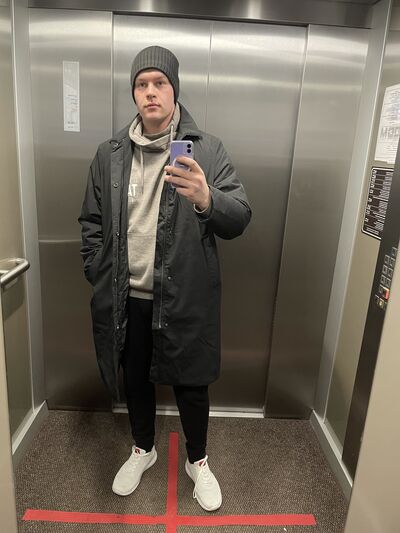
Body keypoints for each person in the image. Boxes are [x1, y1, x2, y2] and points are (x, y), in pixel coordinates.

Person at [78, 45, 251, 512]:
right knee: (135, 377)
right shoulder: (111, 153)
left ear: (175, 91)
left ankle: (198, 460)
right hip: (128, 295)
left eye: (160, 83)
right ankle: (143, 449)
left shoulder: (207, 149)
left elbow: (240, 217)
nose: (150, 92)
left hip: (185, 294)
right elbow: (91, 220)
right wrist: (97, 269)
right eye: (142, 84)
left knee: (192, 383)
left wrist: (207, 198)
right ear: (133, 93)